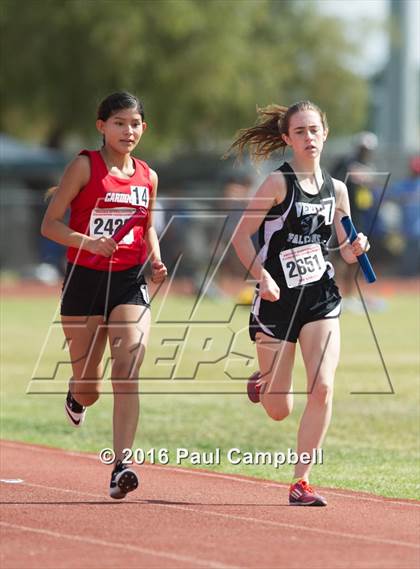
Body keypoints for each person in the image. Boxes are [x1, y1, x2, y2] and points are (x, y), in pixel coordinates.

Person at [229, 101, 369, 506]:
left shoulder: (337, 190)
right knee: (278, 409)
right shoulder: (277, 184)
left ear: (325, 133)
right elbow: (242, 236)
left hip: (320, 298)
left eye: (315, 130)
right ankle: (263, 382)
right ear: (287, 138)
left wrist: (357, 246)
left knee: (323, 387)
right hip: (276, 300)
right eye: (301, 131)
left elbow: (343, 249)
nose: (310, 138)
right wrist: (262, 275)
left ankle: (301, 481)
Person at [41, 92, 167, 499]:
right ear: (101, 126)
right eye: (118, 123)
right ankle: (76, 393)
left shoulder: (148, 175)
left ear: (143, 128)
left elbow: (145, 223)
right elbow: (50, 225)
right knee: (90, 388)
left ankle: (121, 465)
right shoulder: (84, 166)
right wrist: (87, 243)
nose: (127, 131)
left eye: (134, 124)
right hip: (84, 281)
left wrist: (156, 258)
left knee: (128, 364)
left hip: (128, 280)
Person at [331, 132, 379, 311]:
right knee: (340, 256)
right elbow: (333, 181)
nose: (365, 152)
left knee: (357, 255)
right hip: (343, 215)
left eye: (368, 150)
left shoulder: (368, 165)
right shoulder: (345, 162)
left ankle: (350, 295)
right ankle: (337, 294)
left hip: (361, 215)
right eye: (363, 149)